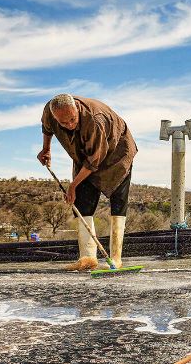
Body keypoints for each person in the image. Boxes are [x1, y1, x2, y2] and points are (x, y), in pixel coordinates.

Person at [37, 94, 137, 271]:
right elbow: (47, 128)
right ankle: (88, 257)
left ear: (76, 107)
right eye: (64, 123)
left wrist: (72, 185)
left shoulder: (95, 120)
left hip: (117, 154)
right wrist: (46, 149)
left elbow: (93, 162)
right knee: (82, 201)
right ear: (55, 116)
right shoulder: (50, 112)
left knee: (118, 200)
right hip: (85, 154)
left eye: (72, 120)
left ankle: (116, 258)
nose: (69, 125)